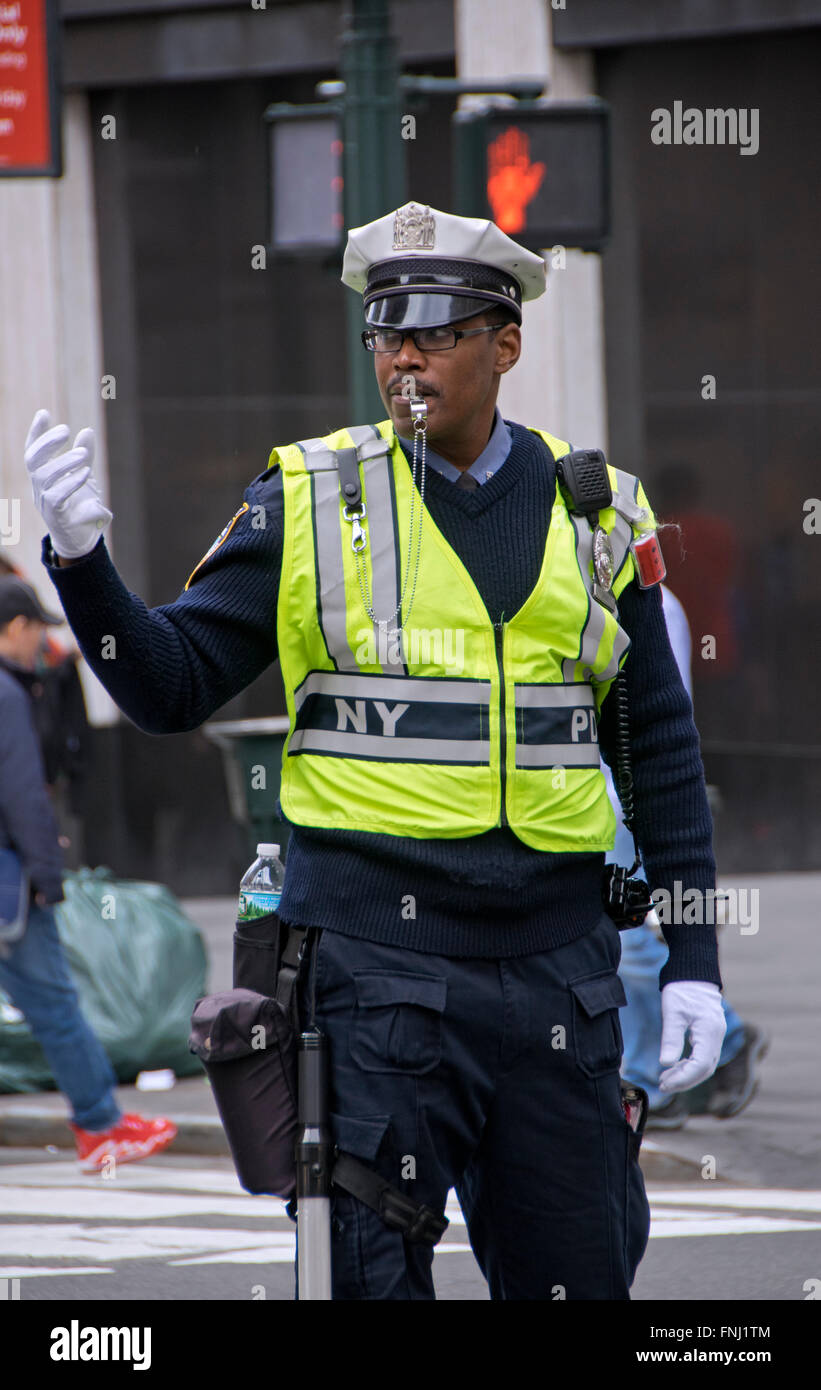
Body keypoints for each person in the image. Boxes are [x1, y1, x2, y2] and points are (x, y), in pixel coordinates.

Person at [27, 202, 727, 1300]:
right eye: (385, 331)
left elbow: (663, 761)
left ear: (504, 344)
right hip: (375, 984)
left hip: (561, 980)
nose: (404, 353)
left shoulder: (598, 516)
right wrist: (83, 566)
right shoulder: (306, 498)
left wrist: (691, 963)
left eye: (437, 328)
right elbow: (167, 686)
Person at [0, 575, 177, 1171]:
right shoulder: (6, 693)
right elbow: (24, 793)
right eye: (37, 632)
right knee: (54, 1001)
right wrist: (49, 873)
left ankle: (101, 1119)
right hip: (11, 887)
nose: (40, 645)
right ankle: (101, 1123)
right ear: (15, 629)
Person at [605, 585, 768, 1128]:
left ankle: (673, 1070)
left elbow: (660, 718)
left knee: (630, 939)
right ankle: (700, 1056)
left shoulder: (650, 599)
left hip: (622, 794)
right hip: (597, 793)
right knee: (628, 940)